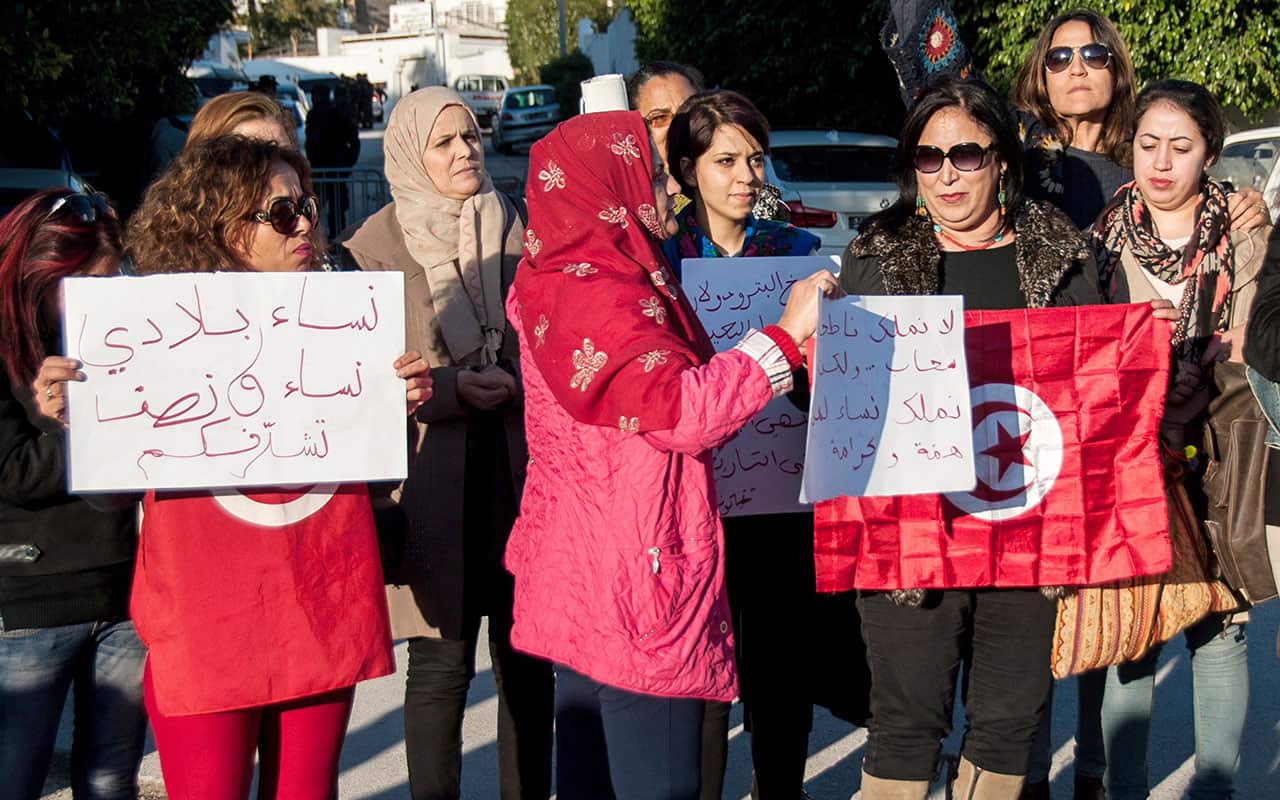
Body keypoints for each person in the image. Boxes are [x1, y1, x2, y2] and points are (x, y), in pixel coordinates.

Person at [506, 108, 837, 799]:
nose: (665, 190)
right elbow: (681, 413)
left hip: (582, 565)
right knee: (657, 779)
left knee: (593, 777)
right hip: (641, 572)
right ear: (608, 186)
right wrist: (783, 335)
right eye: (651, 174)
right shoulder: (609, 293)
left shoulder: (553, 271)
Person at [123, 135, 431, 799]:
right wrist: (78, 407)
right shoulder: (147, 333)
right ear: (221, 226)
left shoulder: (344, 319)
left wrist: (391, 404)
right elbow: (105, 492)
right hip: (206, 622)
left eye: (307, 207)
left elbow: (370, 475)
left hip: (314, 606)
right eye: (282, 212)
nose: (305, 227)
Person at [829, 77, 1107, 799]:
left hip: (1030, 533)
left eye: (965, 154)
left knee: (1011, 726)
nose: (947, 172)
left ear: (1002, 161)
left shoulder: (1064, 257)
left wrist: (1143, 347)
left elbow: (1095, 400)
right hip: (910, 539)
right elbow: (846, 407)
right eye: (928, 156)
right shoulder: (875, 256)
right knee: (904, 725)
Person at [337, 87, 555, 800]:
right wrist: (451, 388)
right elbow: (358, 379)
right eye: (445, 142)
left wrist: (518, 378)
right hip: (433, 482)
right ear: (410, 153)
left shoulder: (519, 224)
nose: (465, 152)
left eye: (471, 136)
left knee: (528, 662)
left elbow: (556, 336)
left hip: (521, 474)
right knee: (441, 665)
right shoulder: (372, 250)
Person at [1091, 79, 1267, 800]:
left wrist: (1191, 379)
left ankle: (1215, 789)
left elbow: (1251, 339)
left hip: (1219, 446)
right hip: (1131, 453)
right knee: (1134, 632)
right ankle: (1120, 787)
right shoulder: (1098, 239)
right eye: (1148, 144)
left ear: (1211, 155)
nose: (1161, 163)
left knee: (1222, 628)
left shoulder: (1246, 228)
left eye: (1182, 147)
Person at [661, 89, 823, 800]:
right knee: (699, 687)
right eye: (726, 160)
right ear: (688, 168)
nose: (746, 176)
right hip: (693, 504)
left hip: (784, 501)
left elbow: (830, 383)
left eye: (756, 159)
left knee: (781, 685)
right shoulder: (659, 263)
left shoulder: (800, 255)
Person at [0, 188, 147, 800]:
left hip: (125, 592)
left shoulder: (129, 334)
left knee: (112, 778)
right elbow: (13, 472)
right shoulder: (7, 346)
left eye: (109, 283)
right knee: (15, 775)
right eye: (81, 286)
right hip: (34, 597)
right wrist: (72, 427)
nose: (95, 303)